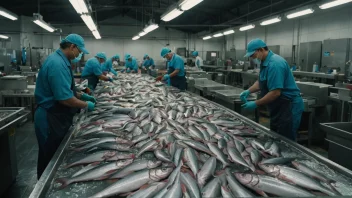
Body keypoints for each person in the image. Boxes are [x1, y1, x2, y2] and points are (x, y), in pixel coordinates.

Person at [34, 34, 96, 179]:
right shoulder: (57, 64)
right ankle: (44, 188)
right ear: (72, 47)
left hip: (55, 115)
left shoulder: (62, 61)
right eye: (79, 51)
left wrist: (81, 95)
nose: (79, 55)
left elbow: (66, 90)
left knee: (50, 155)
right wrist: (86, 104)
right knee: (50, 158)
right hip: (49, 118)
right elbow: (65, 99)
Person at [240, 38, 304, 141]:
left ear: (261, 50)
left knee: (286, 140)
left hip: (289, 106)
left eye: (253, 55)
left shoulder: (275, 64)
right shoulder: (265, 62)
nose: (252, 57)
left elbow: (275, 93)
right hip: (279, 106)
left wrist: (256, 103)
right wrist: (248, 91)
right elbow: (261, 82)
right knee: (276, 137)